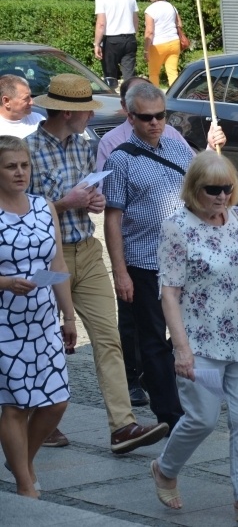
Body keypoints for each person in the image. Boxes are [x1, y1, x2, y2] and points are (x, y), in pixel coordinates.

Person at [26, 73, 169, 454]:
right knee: (43, 339)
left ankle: (122, 426)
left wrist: (93, 201)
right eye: (85, 111)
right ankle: (38, 417)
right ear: (68, 113)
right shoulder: (26, 151)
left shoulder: (86, 144)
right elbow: (16, 214)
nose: (91, 116)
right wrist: (63, 204)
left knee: (109, 337)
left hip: (86, 251)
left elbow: (97, 191)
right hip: (44, 258)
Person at [149, 151, 238, 526]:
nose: (221, 196)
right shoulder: (176, 228)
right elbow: (168, 292)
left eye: (227, 188)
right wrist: (181, 349)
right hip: (199, 340)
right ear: (194, 189)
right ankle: (166, 468)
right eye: (212, 190)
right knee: (201, 419)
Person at [103, 82, 226, 433]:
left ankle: (191, 397)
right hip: (144, 261)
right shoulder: (121, 159)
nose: (155, 123)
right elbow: (113, 220)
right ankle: (169, 414)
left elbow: (203, 190)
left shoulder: (177, 148)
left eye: (161, 116)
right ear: (131, 117)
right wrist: (120, 272)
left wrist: (213, 152)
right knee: (154, 340)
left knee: (189, 333)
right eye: (146, 117)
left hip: (185, 261)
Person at [0, 135, 76, 498]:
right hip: (4, 323)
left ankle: (22, 462)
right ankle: (24, 482)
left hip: (43, 319)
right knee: (15, 404)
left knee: (56, 400)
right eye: (11, 166)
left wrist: (70, 316)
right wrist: (3, 282)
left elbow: (57, 264)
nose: (20, 173)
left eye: (24, 165)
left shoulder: (44, 206)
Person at [94, 0, 139, 85]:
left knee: (110, 76)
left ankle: (112, 96)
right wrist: (133, 35)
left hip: (111, 39)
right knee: (129, 76)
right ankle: (130, 95)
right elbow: (136, 20)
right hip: (129, 38)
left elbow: (101, 24)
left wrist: (97, 44)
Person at [144, 0, 182, 87]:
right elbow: (180, 24)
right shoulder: (171, 7)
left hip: (158, 44)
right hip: (174, 42)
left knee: (154, 73)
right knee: (173, 72)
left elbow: (149, 32)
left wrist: (146, 50)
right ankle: (175, 95)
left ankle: (154, 97)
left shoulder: (150, 10)